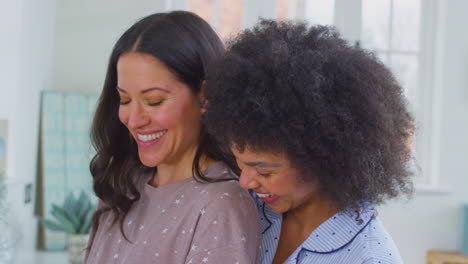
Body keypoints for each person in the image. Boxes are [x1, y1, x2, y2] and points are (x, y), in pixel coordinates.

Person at [203, 20, 414, 264]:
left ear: (321, 160)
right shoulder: (249, 210)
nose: (245, 181)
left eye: (264, 171)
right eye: (240, 163)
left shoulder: (370, 258)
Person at [85, 11, 260, 264]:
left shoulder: (222, 205)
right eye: (124, 99)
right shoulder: (121, 186)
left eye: (154, 101)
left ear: (205, 96)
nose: (133, 120)